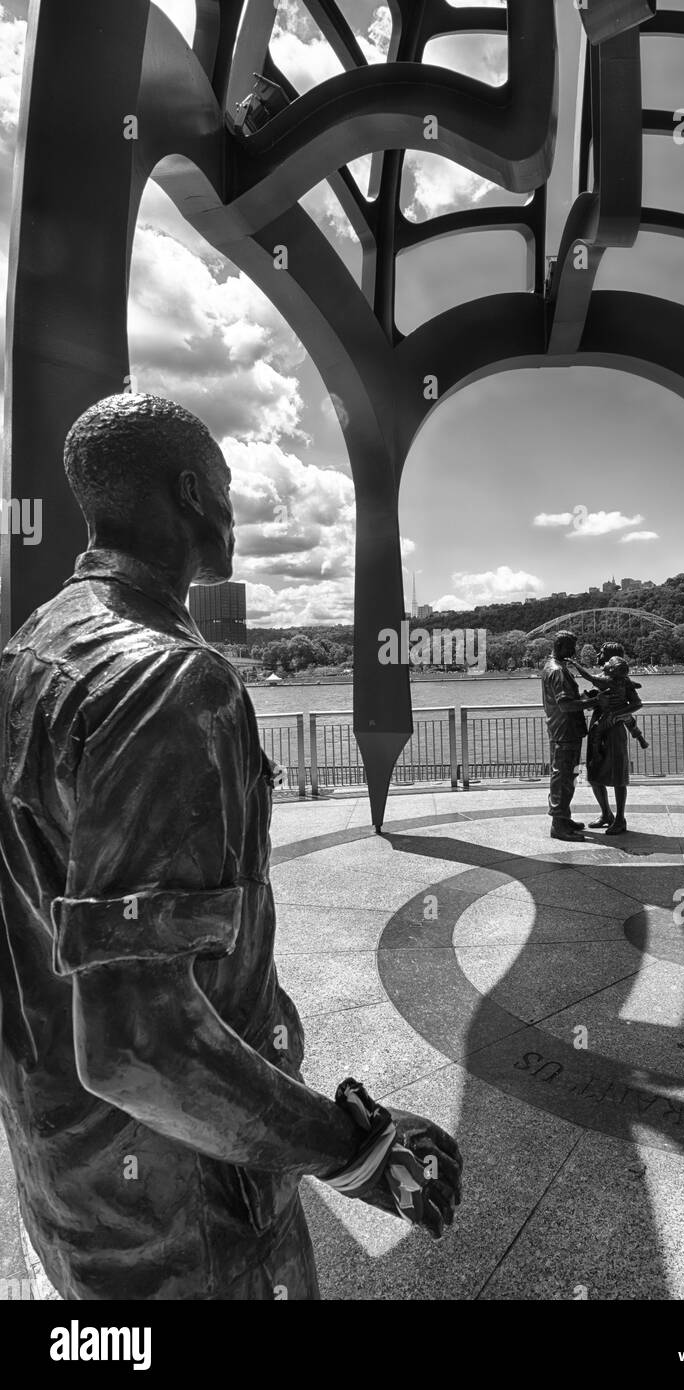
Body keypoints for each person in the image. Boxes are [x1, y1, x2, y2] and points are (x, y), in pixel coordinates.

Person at [0, 394, 462, 1301]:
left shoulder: (27, 655)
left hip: (66, 1162)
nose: (235, 515)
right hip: (186, 1196)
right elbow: (140, 1045)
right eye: (224, 489)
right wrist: (359, 1150)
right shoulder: (167, 677)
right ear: (189, 493)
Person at [583, 648, 643, 834]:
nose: (598, 655)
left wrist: (616, 715)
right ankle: (606, 814)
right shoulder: (602, 678)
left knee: (618, 775)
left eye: (601, 652)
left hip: (614, 730)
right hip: (597, 725)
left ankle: (620, 818)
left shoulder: (622, 682)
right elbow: (593, 697)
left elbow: (636, 703)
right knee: (594, 771)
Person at [541, 631, 589, 841]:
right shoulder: (558, 671)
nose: (573, 652)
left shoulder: (552, 667)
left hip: (562, 729)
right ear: (560, 646)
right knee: (563, 776)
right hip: (565, 730)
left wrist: (585, 698)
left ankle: (563, 816)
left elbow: (568, 700)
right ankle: (558, 823)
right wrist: (595, 703)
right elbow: (566, 705)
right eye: (571, 647)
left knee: (567, 775)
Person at [570, 648, 649, 750]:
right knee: (630, 722)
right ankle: (641, 739)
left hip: (610, 713)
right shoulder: (623, 680)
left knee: (597, 731)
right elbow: (636, 686)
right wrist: (635, 685)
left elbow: (588, 677)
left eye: (608, 661)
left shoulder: (607, 680)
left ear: (612, 669)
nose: (599, 656)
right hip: (622, 710)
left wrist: (575, 664)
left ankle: (596, 753)